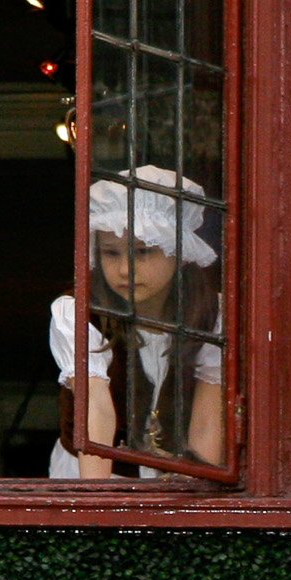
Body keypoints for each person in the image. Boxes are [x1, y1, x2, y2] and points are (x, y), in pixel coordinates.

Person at [51, 167, 226, 477]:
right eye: (110, 253)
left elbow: (206, 423)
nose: (124, 269)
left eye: (142, 252)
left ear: (178, 251)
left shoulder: (210, 314)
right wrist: (96, 501)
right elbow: (95, 409)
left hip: (176, 483)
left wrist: (196, 491)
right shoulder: (78, 313)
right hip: (94, 474)